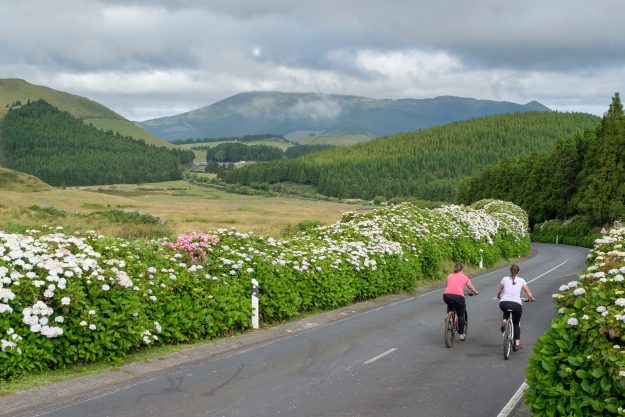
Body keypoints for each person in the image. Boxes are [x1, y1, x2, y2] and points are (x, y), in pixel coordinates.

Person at [496, 264, 535, 351]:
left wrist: (498, 296)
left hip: (503, 302)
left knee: (506, 310)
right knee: (516, 323)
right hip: (516, 304)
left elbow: (499, 290)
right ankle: (517, 344)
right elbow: (528, 292)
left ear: (510, 271)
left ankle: (504, 320)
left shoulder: (504, 279)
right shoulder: (521, 280)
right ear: (518, 272)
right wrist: (531, 298)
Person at [443, 263, 478, 341]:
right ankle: (462, 334)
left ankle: (449, 316)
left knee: (450, 304)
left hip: (447, 295)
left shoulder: (449, 276)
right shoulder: (464, 277)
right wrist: (475, 292)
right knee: (461, 314)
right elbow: (470, 286)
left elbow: (447, 286)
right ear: (462, 269)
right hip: (458, 297)